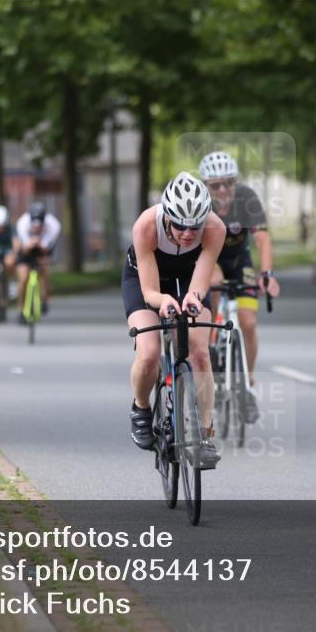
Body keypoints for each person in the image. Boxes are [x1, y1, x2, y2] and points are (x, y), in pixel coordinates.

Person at [123, 172, 226, 467]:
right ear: (167, 216)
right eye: (180, 225)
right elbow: (150, 292)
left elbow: (201, 282)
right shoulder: (145, 226)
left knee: (200, 352)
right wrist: (163, 302)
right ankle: (141, 407)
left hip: (188, 278)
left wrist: (193, 298)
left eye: (195, 226)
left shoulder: (215, 228)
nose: (188, 233)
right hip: (146, 280)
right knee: (149, 354)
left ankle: (204, 435)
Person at [198, 151, 280, 423]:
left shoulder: (246, 198)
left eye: (228, 183)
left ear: (236, 182)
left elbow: (263, 240)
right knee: (215, 282)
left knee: (248, 322)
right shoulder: (200, 204)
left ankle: (248, 381)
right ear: (206, 186)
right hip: (208, 256)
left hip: (239, 259)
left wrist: (267, 274)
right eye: (215, 185)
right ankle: (210, 342)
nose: (223, 190)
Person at [15, 201, 61, 321]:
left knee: (44, 269)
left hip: (43, 248)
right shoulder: (22, 223)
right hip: (26, 248)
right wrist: (30, 243)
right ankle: (20, 309)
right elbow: (24, 248)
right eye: (34, 226)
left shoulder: (53, 225)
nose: (37, 229)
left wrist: (40, 244)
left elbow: (47, 248)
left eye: (39, 226)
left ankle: (45, 299)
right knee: (23, 278)